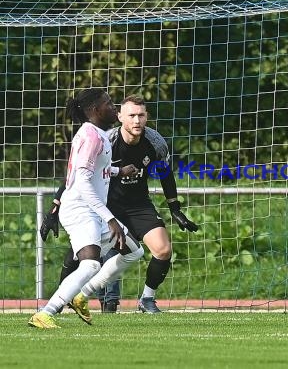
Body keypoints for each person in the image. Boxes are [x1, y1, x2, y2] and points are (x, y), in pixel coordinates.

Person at [41, 94, 199, 314]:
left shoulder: (155, 142)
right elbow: (78, 174)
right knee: (79, 256)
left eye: (141, 115)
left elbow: (165, 175)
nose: (137, 120)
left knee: (162, 250)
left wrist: (175, 209)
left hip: (138, 204)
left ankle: (146, 299)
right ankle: (59, 304)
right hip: (107, 204)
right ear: (120, 117)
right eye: (132, 115)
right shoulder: (106, 139)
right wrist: (55, 206)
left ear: (147, 117)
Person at [29, 88, 144, 329]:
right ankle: (46, 312)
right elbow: (80, 180)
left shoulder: (98, 134)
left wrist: (117, 171)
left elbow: (93, 171)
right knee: (90, 264)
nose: (114, 107)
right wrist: (110, 218)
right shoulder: (90, 136)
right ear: (94, 109)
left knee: (133, 251)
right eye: (109, 103)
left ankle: (82, 295)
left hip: (93, 210)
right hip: (81, 209)